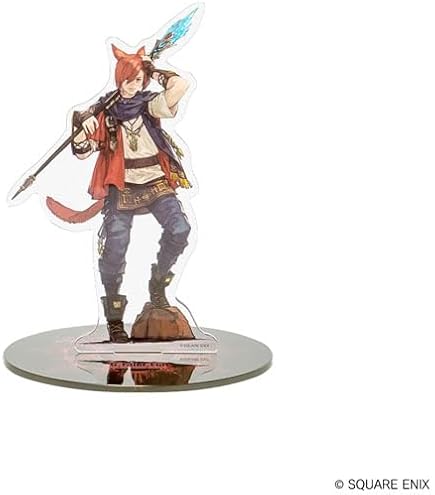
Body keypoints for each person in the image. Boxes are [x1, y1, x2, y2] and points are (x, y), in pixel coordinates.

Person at [69, 45, 192, 343]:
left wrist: (154, 69)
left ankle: (158, 284)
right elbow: (82, 151)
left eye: (139, 80)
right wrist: (81, 127)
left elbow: (181, 85)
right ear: (119, 78)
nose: (134, 85)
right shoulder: (104, 111)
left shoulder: (149, 104)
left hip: (155, 181)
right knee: (115, 248)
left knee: (180, 228)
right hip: (121, 187)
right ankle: (114, 321)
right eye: (129, 79)